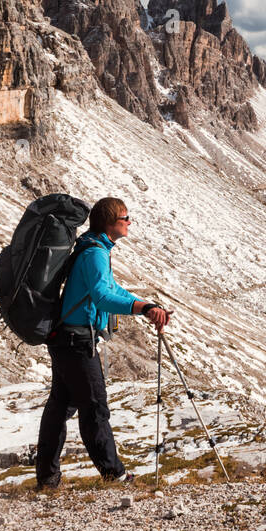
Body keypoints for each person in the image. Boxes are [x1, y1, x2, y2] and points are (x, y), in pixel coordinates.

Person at [35, 197, 170, 488]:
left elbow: (109, 287)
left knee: (60, 407)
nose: (129, 221)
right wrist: (143, 309)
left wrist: (142, 303)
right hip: (76, 341)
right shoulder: (95, 253)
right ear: (111, 223)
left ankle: (47, 479)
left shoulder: (93, 248)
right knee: (94, 407)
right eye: (126, 217)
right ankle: (114, 474)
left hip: (66, 337)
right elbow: (102, 296)